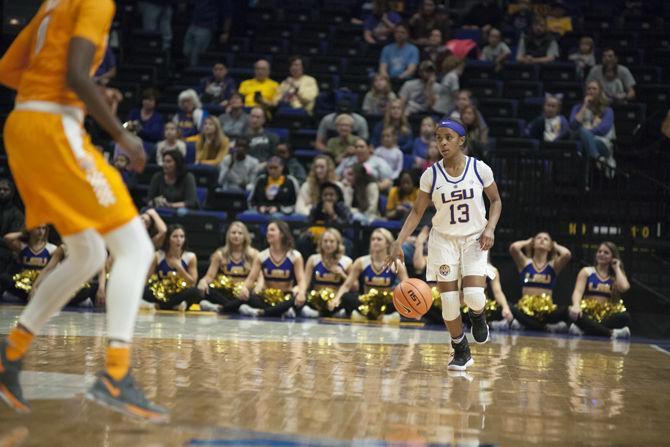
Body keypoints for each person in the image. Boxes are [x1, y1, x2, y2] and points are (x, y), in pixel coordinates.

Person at [0, 0, 166, 419]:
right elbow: (75, 72)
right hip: (54, 130)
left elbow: (8, 70)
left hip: (23, 128)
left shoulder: (53, 3)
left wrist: (77, 91)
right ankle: (115, 374)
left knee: (90, 254)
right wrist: (121, 134)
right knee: (136, 250)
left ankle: (10, 355)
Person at [384, 119, 503, 370]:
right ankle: (460, 349)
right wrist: (398, 241)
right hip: (443, 241)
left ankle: (478, 316)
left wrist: (490, 228)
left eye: (448, 137)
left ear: (461, 140)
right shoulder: (431, 174)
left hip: (474, 238)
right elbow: (417, 212)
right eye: (438, 138)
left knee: (473, 296)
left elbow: (495, 201)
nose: (442, 142)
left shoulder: (479, 169)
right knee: (448, 301)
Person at [502, 232, 572, 332]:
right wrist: (527, 242)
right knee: (508, 305)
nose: (542, 240)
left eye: (546, 239)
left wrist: (555, 245)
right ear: (533, 243)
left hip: (546, 312)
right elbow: (514, 247)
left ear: (550, 247)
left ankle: (522, 324)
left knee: (566, 310)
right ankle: (545, 328)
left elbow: (567, 254)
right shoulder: (525, 263)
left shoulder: (553, 265)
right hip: (526, 311)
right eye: (538, 238)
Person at [333, 228, 408, 322]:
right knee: (346, 297)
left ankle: (364, 316)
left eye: (379, 239)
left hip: (386, 304)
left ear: (387, 243)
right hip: (366, 303)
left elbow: (407, 286)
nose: (375, 242)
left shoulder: (397, 263)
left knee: (399, 299)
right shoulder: (361, 261)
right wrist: (336, 299)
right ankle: (382, 317)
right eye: (373, 239)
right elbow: (347, 285)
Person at [237, 221, 306, 318]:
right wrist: (244, 288)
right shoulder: (261, 256)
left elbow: (301, 280)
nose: (268, 233)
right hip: (266, 297)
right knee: (247, 298)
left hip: (286, 296)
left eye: (272, 230)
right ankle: (281, 311)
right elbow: (251, 278)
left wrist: (301, 293)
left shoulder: (295, 256)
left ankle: (262, 312)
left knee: (296, 300)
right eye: (268, 230)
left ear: (282, 234)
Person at [568, 242, 631, 339]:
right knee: (575, 315)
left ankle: (585, 330)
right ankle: (612, 333)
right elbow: (578, 291)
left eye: (606, 253)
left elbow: (624, 288)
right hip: (588, 314)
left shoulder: (615, 275)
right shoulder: (586, 271)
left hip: (607, 316)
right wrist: (576, 305)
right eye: (599, 251)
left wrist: (617, 268)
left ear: (612, 257)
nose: (601, 254)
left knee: (625, 317)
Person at [197, 221, 259, 314]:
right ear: (228, 235)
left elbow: (257, 277)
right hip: (226, 293)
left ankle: (220, 308)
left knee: (253, 297)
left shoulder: (254, 254)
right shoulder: (219, 254)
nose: (236, 236)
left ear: (245, 236)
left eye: (240, 233)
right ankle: (240, 308)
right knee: (208, 290)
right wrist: (203, 281)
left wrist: (249, 288)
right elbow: (210, 276)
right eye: (233, 233)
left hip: (244, 292)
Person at [142, 225, 203, 310]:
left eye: (182, 236)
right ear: (168, 239)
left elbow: (192, 282)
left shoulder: (190, 257)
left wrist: (180, 268)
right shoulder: (158, 255)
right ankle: (175, 306)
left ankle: (161, 306)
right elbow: (146, 278)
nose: (179, 240)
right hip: (160, 293)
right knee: (142, 290)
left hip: (179, 293)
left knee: (196, 292)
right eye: (175, 236)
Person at [299, 229, 353, 318]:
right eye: (325, 241)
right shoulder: (313, 259)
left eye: (331, 241)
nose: (328, 244)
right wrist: (300, 292)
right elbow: (305, 282)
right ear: (320, 243)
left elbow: (355, 287)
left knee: (349, 299)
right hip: (317, 300)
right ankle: (322, 312)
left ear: (338, 243)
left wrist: (342, 274)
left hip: (337, 299)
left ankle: (327, 313)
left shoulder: (346, 262)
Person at [0, 226, 57, 302]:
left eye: (43, 228)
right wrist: (25, 233)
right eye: (38, 228)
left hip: (41, 285)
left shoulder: (52, 248)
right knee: (4, 278)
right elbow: (7, 238)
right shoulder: (22, 246)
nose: (41, 232)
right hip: (24, 285)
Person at [569, 80, 616, 168]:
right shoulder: (577, 107)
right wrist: (584, 106)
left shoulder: (607, 110)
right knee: (581, 133)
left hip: (601, 142)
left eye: (594, 89)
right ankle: (596, 158)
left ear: (600, 92)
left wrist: (586, 133)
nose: (591, 91)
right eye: (589, 88)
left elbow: (603, 130)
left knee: (583, 140)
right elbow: (572, 126)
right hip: (578, 138)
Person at [182, 0, 232, 67]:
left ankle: (194, 72)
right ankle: (189, 68)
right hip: (194, 24)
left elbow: (228, 14)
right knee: (186, 51)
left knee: (196, 54)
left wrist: (225, 32)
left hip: (207, 26)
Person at [0, 179, 24, 273]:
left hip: (5, 256)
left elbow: (12, 242)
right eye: (0, 189)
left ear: (12, 192)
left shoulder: (17, 214)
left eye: (5, 190)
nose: (1, 192)